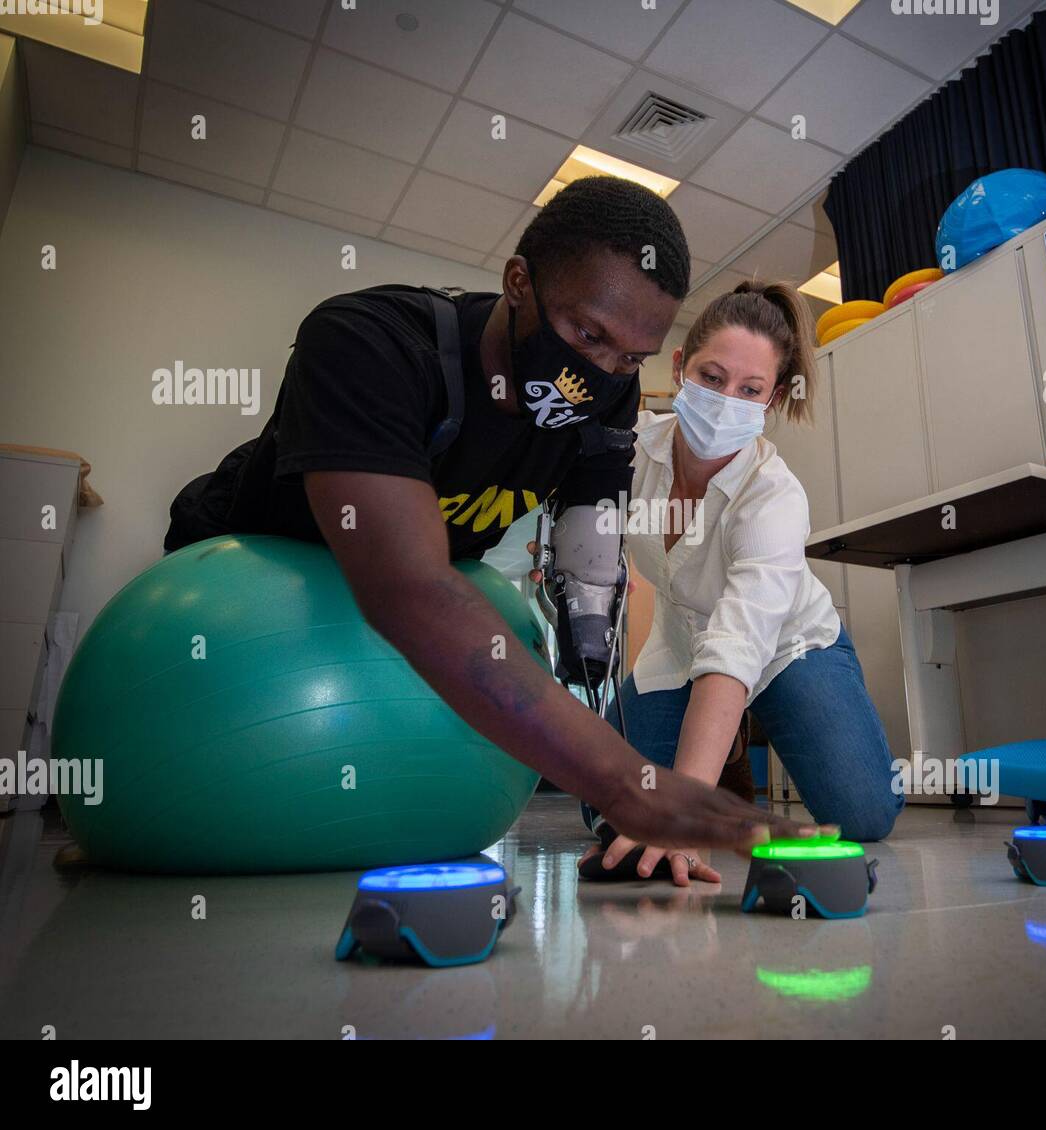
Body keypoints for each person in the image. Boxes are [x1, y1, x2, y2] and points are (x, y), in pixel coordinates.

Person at [163, 177, 825, 853]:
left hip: (406, 607)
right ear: (518, 281)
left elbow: (589, 558)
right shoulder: (369, 345)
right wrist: (631, 785)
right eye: (585, 332)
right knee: (190, 802)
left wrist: (588, 646)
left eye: (628, 357)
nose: (596, 373)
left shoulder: (610, 401)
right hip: (251, 574)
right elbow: (409, 588)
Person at [582, 280, 902, 885]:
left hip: (788, 648)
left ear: (772, 399)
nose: (727, 399)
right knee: (607, 808)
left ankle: (726, 740)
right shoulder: (629, 452)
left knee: (862, 814)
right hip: (680, 649)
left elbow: (738, 642)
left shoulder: (773, 496)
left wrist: (686, 808)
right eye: (711, 376)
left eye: (749, 389)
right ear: (679, 367)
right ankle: (721, 748)